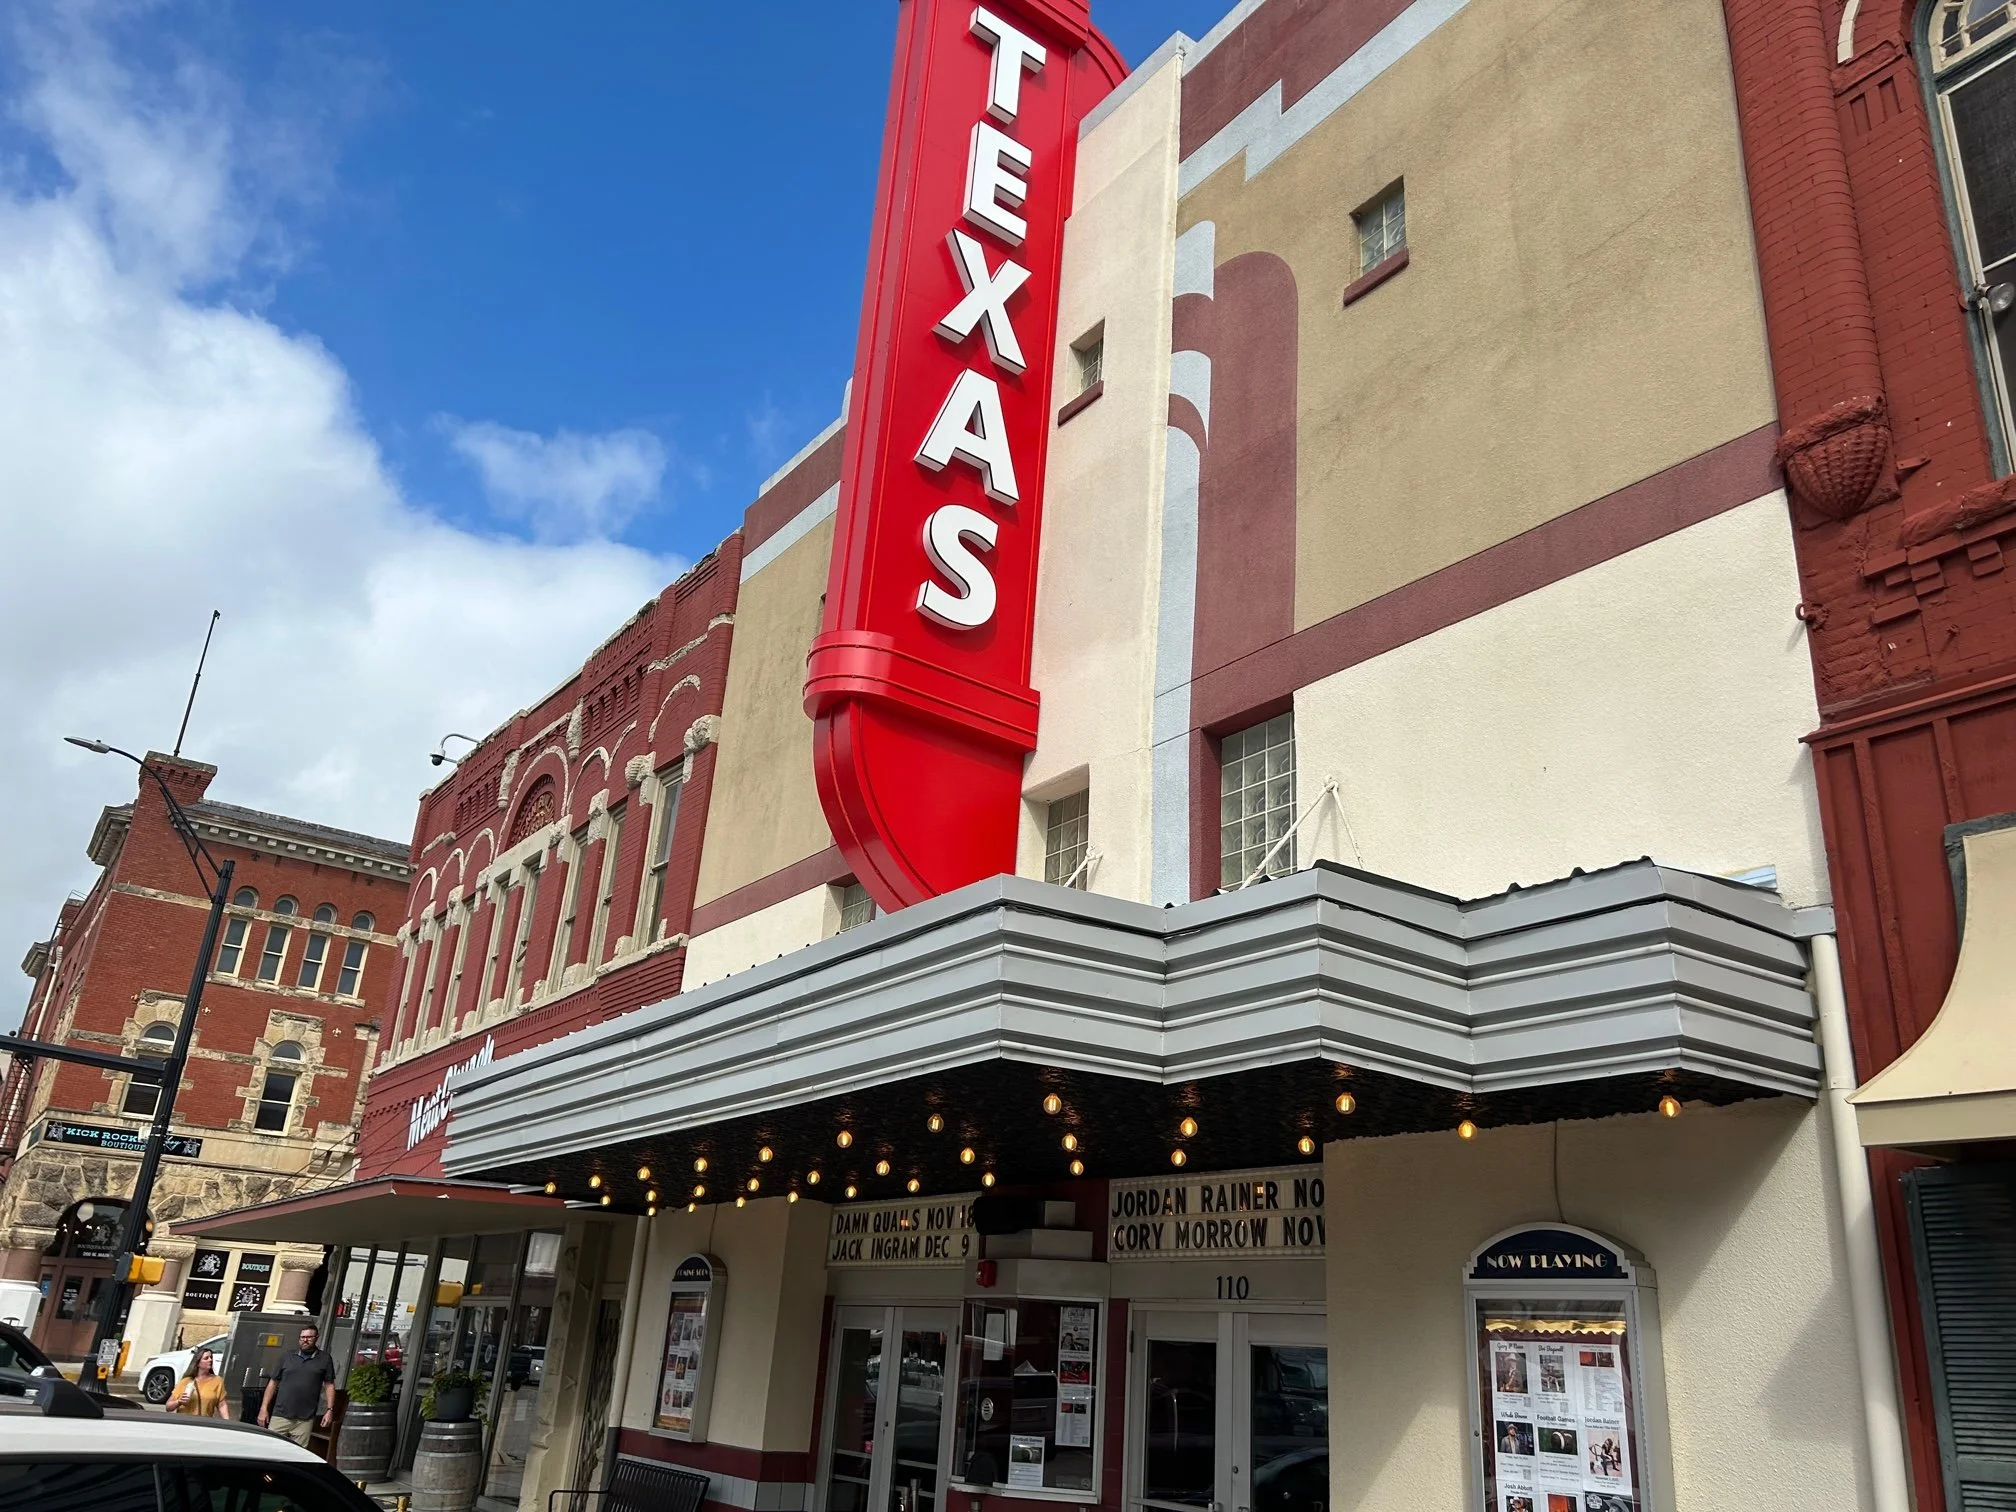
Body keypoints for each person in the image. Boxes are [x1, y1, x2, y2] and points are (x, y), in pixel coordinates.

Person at [259, 1324, 337, 1447]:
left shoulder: (325, 1359)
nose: (305, 1340)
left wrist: (329, 1410)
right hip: (281, 1414)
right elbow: (272, 1383)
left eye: (309, 1337)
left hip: (305, 1418)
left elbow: (329, 1385)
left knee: (298, 1453)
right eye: (302, 1337)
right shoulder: (287, 1356)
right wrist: (264, 1409)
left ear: (316, 1338)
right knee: (271, 1449)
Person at [167, 1347, 230, 1419]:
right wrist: (179, 1402)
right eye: (206, 1358)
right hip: (184, 1421)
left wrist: (227, 1421)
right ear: (198, 1363)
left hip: (203, 1422)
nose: (210, 1360)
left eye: (211, 1357)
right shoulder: (186, 1381)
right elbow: (168, 1407)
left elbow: (222, 1404)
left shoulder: (217, 1381)